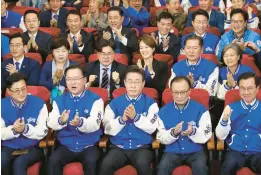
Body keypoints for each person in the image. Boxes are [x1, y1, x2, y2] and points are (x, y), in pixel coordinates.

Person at [99, 65, 159, 175]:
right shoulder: (114, 104)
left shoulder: (151, 104)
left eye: (137, 82)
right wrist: (122, 120)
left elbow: (152, 128)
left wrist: (136, 117)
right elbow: (107, 129)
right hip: (118, 147)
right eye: (130, 81)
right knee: (105, 165)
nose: (133, 85)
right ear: (125, 83)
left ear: (143, 84)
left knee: (143, 166)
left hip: (142, 147)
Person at [47, 65, 104, 175]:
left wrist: (80, 123)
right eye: (69, 79)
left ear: (84, 80)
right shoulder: (59, 100)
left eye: (76, 79)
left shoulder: (96, 99)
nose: (73, 82)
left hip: (89, 144)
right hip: (66, 145)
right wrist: (61, 121)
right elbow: (51, 122)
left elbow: (95, 124)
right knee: (53, 161)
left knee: (92, 161)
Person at [157, 76, 212, 175]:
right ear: (172, 92)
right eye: (175, 92)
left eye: (182, 92)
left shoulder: (201, 110)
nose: (179, 96)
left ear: (189, 91)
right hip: (172, 151)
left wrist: (193, 132)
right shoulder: (163, 112)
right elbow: (160, 137)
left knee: (201, 169)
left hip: (195, 151)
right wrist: (173, 133)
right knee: (162, 169)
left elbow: (206, 134)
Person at [1, 73, 48, 175]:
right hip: (8, 146)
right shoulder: (2, 105)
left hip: (33, 146)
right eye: (17, 91)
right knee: (2, 162)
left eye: (24, 89)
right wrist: (14, 130)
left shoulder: (39, 103)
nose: (21, 93)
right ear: (9, 91)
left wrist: (25, 129)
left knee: (20, 163)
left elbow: (42, 131)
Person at [216, 72, 261, 175]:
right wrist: (225, 119)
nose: (246, 92)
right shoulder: (230, 108)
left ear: (257, 89)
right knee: (228, 165)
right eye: (242, 88)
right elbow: (220, 136)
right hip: (235, 151)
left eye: (250, 88)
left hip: (258, 151)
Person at [136, 34, 168, 103]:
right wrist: (140, 73)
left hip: (154, 101)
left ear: (153, 49)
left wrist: (150, 72)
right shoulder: (136, 66)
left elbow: (160, 91)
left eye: (146, 47)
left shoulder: (162, 66)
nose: (144, 50)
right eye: (141, 48)